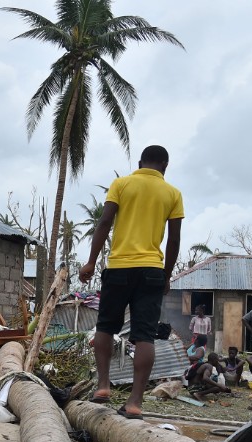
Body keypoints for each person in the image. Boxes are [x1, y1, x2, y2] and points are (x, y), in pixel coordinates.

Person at [78, 145, 184, 420]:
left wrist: (90, 262)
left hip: (119, 268)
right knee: (145, 336)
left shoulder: (121, 184)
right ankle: (135, 402)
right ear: (165, 165)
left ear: (140, 163)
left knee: (105, 326)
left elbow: (104, 223)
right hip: (151, 270)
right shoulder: (172, 193)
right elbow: (173, 240)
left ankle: (103, 386)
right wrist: (166, 275)